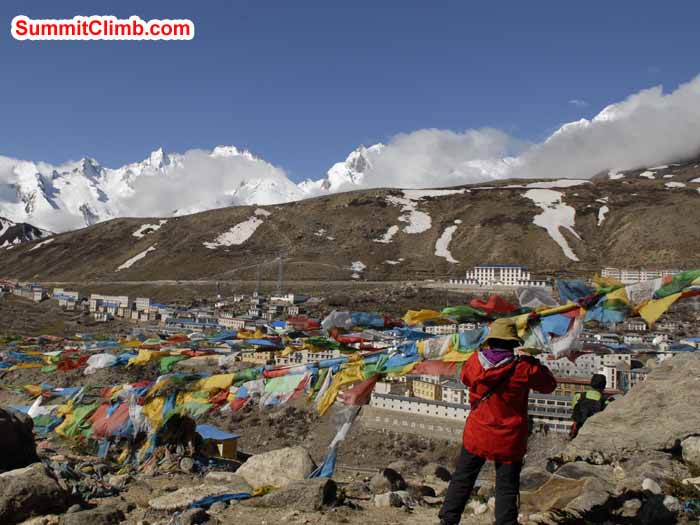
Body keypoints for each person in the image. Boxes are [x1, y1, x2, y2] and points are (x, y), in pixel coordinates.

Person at [439, 318, 557, 525]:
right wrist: (534, 362)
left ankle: (448, 520)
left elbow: (466, 378)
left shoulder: (475, 362)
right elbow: (549, 385)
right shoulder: (524, 368)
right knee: (507, 487)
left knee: (463, 479)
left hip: (478, 434)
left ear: (491, 340)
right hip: (509, 438)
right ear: (513, 343)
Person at [569, 373, 608, 438]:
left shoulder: (578, 396)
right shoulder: (605, 401)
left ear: (591, 383)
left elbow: (574, 410)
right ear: (604, 386)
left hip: (578, 431)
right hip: (594, 432)